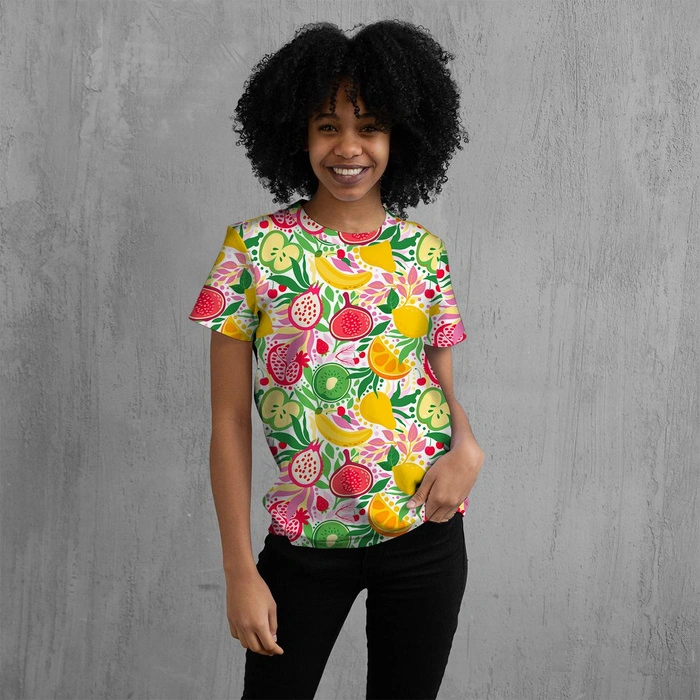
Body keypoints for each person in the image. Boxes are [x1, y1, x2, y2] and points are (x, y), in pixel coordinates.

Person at [187, 19, 485, 700]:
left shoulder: (424, 253)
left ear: (400, 137)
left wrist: (467, 448)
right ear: (298, 134)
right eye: (328, 126)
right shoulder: (252, 251)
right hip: (305, 544)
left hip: (426, 535)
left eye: (369, 127)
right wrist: (240, 569)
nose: (348, 147)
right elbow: (228, 422)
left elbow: (438, 384)